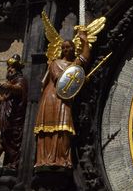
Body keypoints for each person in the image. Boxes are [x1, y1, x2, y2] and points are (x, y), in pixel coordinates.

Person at [34, 18, 94, 169]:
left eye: (69, 47)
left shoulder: (74, 64)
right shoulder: (55, 63)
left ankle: (62, 158)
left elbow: (85, 57)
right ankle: (45, 158)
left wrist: (84, 40)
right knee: (48, 128)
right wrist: (78, 77)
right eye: (64, 48)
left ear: (73, 49)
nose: (66, 50)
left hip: (64, 99)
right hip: (52, 96)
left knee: (64, 128)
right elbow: (60, 79)